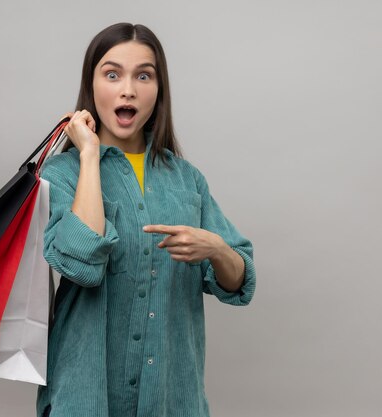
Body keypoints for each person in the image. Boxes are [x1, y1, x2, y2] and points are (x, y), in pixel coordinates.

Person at [36, 22, 256, 417]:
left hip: (173, 399)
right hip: (85, 395)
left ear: (159, 89)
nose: (128, 89)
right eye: (112, 73)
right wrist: (89, 155)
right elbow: (81, 265)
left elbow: (239, 283)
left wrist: (217, 248)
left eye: (144, 75)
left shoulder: (188, 180)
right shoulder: (61, 175)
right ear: (92, 85)